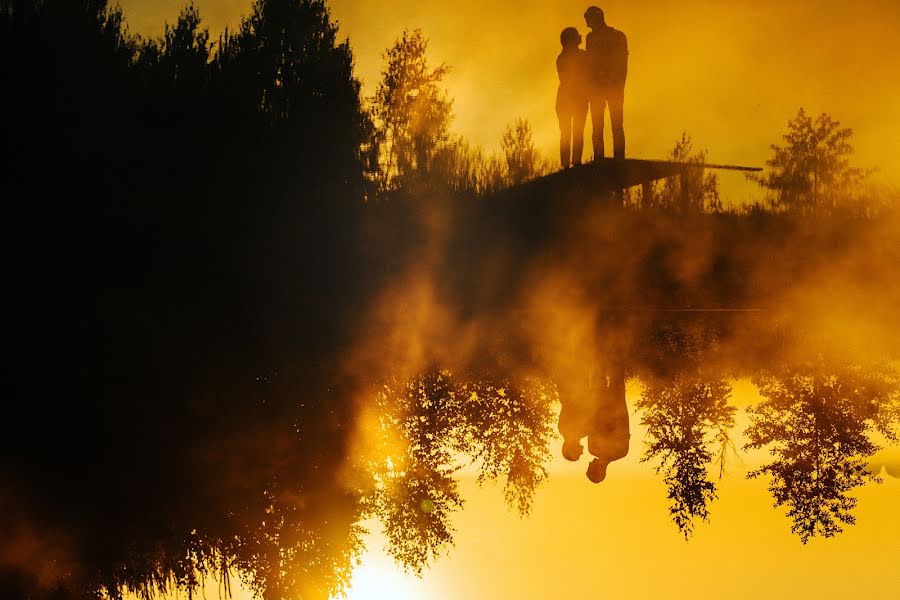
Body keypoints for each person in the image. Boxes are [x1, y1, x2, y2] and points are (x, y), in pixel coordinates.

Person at [584, 6, 628, 160]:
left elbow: (622, 63)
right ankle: (609, 159)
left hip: (608, 87)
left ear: (596, 18)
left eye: (588, 20)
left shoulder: (615, 37)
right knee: (607, 126)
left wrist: (616, 83)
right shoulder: (616, 37)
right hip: (603, 88)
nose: (587, 24)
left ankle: (609, 159)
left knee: (609, 125)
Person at [555, 27, 590, 169]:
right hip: (572, 99)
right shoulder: (576, 57)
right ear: (571, 40)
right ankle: (571, 164)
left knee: (571, 132)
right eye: (576, 36)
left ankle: (571, 164)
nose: (580, 37)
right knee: (571, 132)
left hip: (567, 98)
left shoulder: (562, 57)